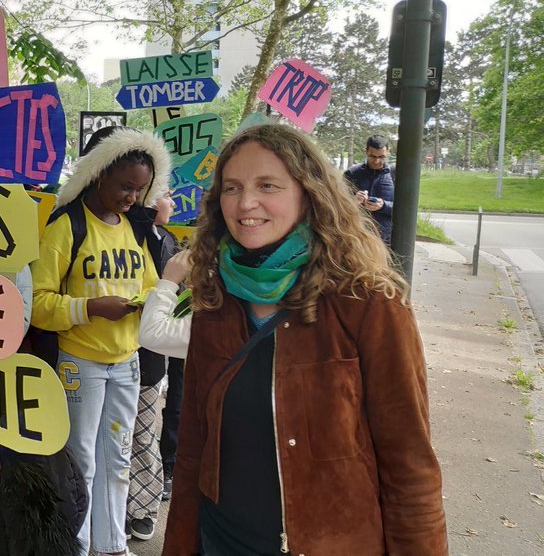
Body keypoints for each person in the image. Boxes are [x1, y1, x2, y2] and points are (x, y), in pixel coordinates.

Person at [164, 124, 447, 554]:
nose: (246, 203)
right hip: (222, 542)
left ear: (308, 192)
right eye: (232, 187)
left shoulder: (368, 303)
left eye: (268, 185)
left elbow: (410, 466)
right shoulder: (214, 301)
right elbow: (192, 453)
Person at [30, 126, 172, 556]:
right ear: (97, 175)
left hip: (126, 363)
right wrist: (90, 309)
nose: (132, 196)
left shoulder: (135, 228)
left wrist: (153, 302)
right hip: (79, 364)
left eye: (140, 189)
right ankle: (78, 545)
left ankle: (112, 546)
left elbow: (150, 285)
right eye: (125, 186)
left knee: (118, 462)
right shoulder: (66, 227)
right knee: (82, 464)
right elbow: (36, 303)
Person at [125, 187, 189, 542]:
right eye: (166, 194)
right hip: (109, 353)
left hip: (150, 359)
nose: (174, 201)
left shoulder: (166, 238)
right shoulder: (117, 229)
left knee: (144, 435)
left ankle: (143, 507)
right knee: (113, 439)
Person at [344, 134, 395, 245]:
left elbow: (407, 210)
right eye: (372, 156)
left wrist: (383, 206)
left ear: (388, 152)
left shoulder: (395, 174)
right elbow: (337, 205)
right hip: (356, 237)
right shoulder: (352, 173)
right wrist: (353, 200)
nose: (377, 161)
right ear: (366, 151)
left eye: (381, 157)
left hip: (386, 239)